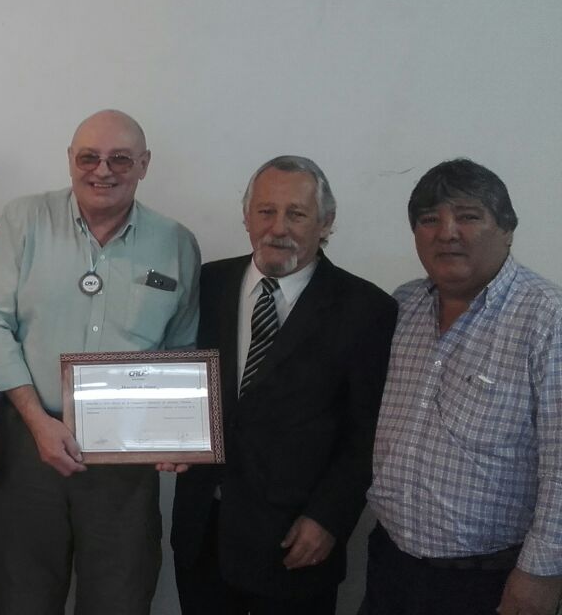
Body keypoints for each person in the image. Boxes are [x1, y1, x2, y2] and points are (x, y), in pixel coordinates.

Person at [0, 109, 199, 615]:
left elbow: (180, 353)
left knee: (119, 600)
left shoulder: (176, 243)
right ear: (70, 161)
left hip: (124, 463)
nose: (103, 170)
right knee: (21, 597)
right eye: (88, 158)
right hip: (30, 445)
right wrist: (37, 422)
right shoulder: (25, 220)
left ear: (144, 164)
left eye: (120, 158)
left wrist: (176, 435)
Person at [169, 155, 397, 614]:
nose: (279, 227)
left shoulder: (366, 308)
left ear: (326, 221)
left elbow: (367, 431)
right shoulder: (207, 283)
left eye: (296, 213)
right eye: (266, 211)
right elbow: (178, 377)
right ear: (247, 216)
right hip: (203, 529)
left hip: (297, 537)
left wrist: (329, 518)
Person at [364, 158, 562, 615]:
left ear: (507, 228)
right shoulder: (404, 305)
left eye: (469, 216)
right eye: (429, 219)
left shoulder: (545, 318)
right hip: (392, 563)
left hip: (490, 581)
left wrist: (539, 574)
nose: (446, 232)